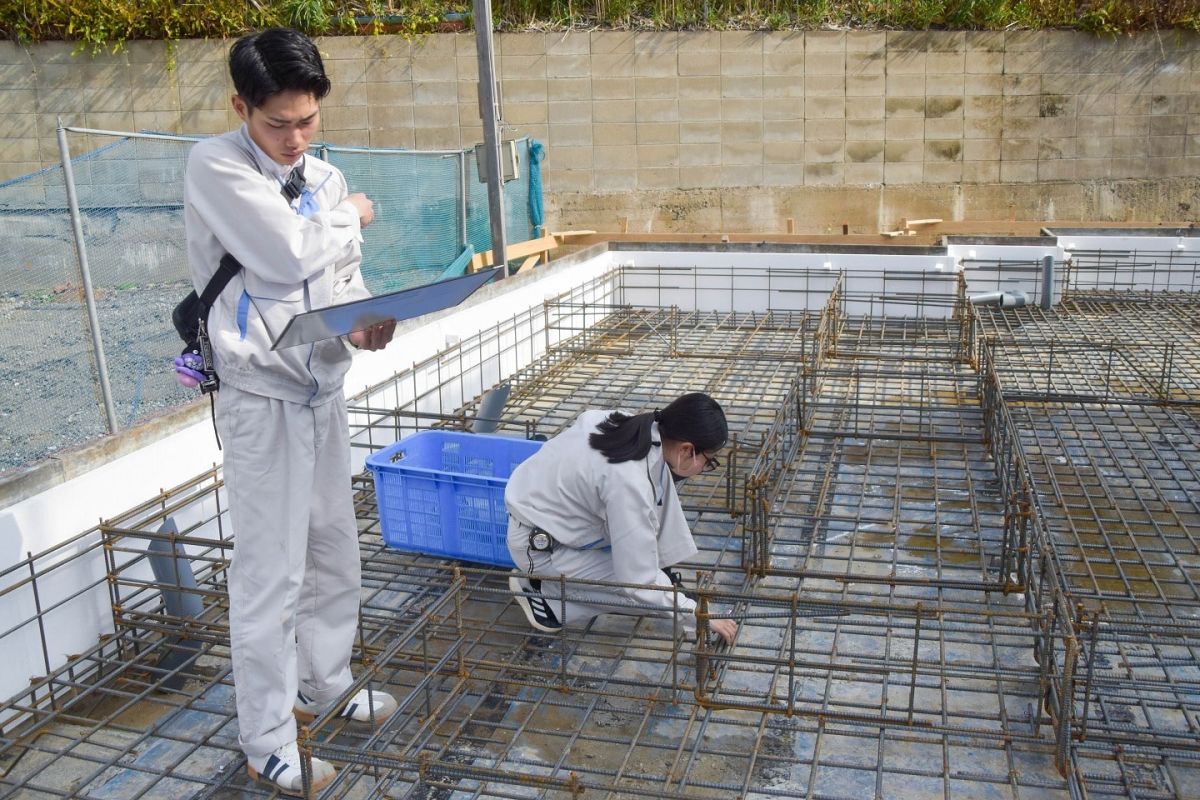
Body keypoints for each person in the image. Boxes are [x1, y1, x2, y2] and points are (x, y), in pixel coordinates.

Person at [182, 27, 397, 794]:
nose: (296, 138)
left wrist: (368, 317)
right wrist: (353, 215)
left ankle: (325, 681)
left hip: (322, 387)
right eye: (279, 123)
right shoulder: (216, 166)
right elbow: (281, 256)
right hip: (260, 397)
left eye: (309, 121)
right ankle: (267, 737)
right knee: (271, 575)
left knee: (335, 547)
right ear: (242, 106)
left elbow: (340, 276)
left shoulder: (325, 178)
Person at [504, 392, 738, 646]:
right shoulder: (628, 482)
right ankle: (543, 593)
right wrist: (696, 615)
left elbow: (655, 500)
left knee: (658, 590)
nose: (705, 468)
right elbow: (639, 581)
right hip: (539, 548)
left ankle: (561, 582)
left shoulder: (629, 423)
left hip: (547, 518)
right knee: (639, 597)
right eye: (708, 461)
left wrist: (665, 577)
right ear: (686, 450)